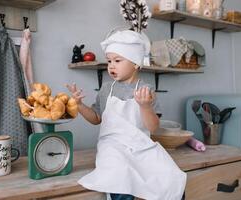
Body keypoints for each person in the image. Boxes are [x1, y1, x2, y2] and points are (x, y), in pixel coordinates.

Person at [66, 30, 186, 200]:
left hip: (141, 145)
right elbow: (96, 118)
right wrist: (79, 105)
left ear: (136, 63)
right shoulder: (107, 88)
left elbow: (153, 127)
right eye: (109, 61)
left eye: (117, 60)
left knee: (170, 174)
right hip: (112, 145)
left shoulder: (146, 90)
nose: (111, 66)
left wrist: (145, 106)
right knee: (120, 176)